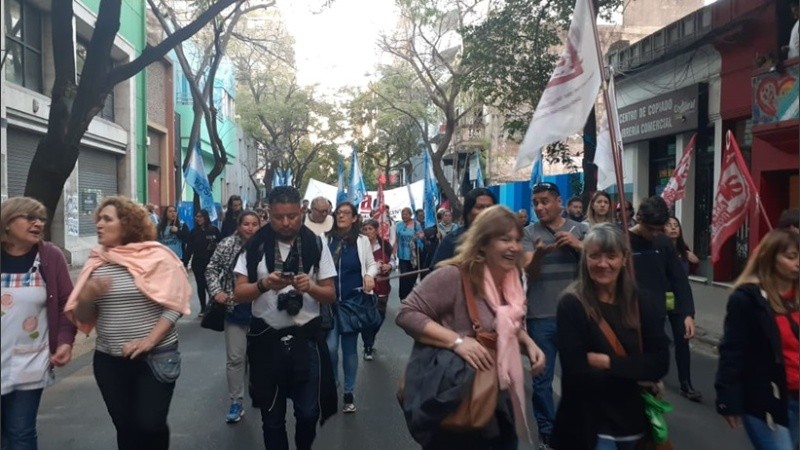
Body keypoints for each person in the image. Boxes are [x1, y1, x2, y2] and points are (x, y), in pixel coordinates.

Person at [396, 205, 546, 449]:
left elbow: (507, 326)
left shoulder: (512, 280)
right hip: (455, 398)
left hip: (498, 397)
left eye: (518, 240)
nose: (514, 247)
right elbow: (407, 313)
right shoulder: (453, 276)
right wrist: (457, 342)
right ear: (483, 243)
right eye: (505, 239)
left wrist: (527, 343)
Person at [64, 196, 191, 450]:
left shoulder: (158, 257)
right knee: (126, 427)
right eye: (98, 219)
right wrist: (87, 297)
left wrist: (149, 341)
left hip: (156, 357)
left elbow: (174, 303)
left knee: (150, 424)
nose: (99, 224)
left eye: (107, 219)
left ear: (127, 224)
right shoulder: (97, 262)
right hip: (109, 359)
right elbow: (85, 317)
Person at [232, 186, 338, 450]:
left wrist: (311, 287)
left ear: (301, 212)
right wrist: (264, 284)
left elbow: (331, 295)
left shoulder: (316, 243)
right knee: (272, 419)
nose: (286, 222)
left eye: (292, 216)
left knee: (308, 414)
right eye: (279, 217)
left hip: (307, 341)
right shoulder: (254, 245)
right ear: (269, 213)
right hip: (267, 343)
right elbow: (239, 294)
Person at [553, 224, 670, 450]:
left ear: (624, 259)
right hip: (589, 424)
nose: (603, 264)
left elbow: (660, 363)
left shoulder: (641, 302)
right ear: (585, 259)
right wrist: (635, 371)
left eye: (611, 256)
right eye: (595, 256)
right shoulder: (571, 304)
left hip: (635, 423)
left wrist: (607, 363)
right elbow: (576, 372)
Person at [1, 197, 77, 450]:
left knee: (20, 432)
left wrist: (65, 342)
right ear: (8, 223)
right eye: (30, 218)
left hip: (30, 362)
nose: (38, 224)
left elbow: (67, 303)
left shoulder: (50, 256)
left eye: (41, 219)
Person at [716, 229, 799, 450]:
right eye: (791, 257)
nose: (797, 263)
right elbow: (732, 351)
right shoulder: (748, 300)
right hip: (767, 399)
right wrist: (728, 400)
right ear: (770, 257)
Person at [522, 181, 587, 450]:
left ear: (559, 202)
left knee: (580, 376)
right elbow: (529, 272)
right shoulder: (527, 232)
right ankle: (547, 431)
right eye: (536, 202)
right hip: (541, 315)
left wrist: (578, 245)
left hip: (576, 316)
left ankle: (578, 426)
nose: (539, 207)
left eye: (545, 201)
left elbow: (601, 266)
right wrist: (537, 254)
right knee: (542, 380)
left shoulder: (582, 229)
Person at [629, 196, 699, 401]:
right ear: (638, 218)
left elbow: (679, 280)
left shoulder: (663, 243)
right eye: (650, 229)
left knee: (653, 373)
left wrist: (687, 313)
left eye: (659, 229)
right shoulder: (622, 240)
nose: (654, 234)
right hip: (628, 316)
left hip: (656, 314)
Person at [205, 210, 261, 424]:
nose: (250, 228)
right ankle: (236, 401)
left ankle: (260, 391)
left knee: (259, 358)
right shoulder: (227, 245)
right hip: (234, 308)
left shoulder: (268, 245)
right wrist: (216, 291)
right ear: (239, 226)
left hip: (262, 310)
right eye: (246, 223)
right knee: (236, 358)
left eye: (254, 224)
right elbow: (211, 269)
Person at [325, 202, 378, 413]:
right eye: (339, 212)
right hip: (328, 303)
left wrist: (368, 275)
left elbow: (372, 264)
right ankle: (334, 383)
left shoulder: (362, 241)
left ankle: (348, 391)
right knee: (329, 348)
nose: (341, 216)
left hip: (352, 303)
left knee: (349, 349)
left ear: (355, 218)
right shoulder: (325, 239)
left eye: (346, 213)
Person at [429, 188, 497, 269]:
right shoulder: (453, 240)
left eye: (489, 207)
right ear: (468, 211)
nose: (486, 211)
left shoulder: (502, 237)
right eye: (480, 207)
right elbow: (437, 273)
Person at [360, 219, 394, 361]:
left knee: (379, 318)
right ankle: (368, 345)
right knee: (367, 318)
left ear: (376, 230)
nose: (368, 232)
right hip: (366, 288)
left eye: (370, 229)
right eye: (365, 229)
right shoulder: (360, 246)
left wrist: (389, 266)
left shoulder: (385, 245)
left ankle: (371, 338)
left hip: (383, 286)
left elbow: (393, 259)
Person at [183, 209, 221, 317]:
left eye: (200, 216)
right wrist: (185, 262)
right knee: (201, 285)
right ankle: (203, 308)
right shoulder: (194, 232)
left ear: (205, 217)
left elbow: (222, 243)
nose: (198, 219)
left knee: (211, 285)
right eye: (197, 217)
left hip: (212, 263)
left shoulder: (214, 230)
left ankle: (213, 307)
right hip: (198, 262)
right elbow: (189, 248)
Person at [395, 207, 425, 300]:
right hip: (402, 255)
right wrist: (394, 251)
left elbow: (421, 235)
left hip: (413, 256)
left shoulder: (416, 224)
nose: (404, 216)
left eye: (406, 214)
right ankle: (403, 296)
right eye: (403, 214)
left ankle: (410, 296)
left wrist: (419, 236)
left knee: (412, 276)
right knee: (403, 276)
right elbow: (396, 239)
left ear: (410, 215)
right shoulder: (399, 225)